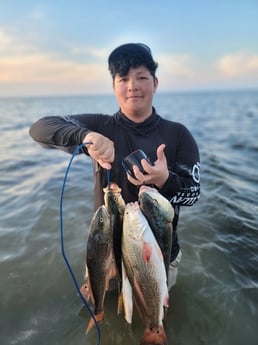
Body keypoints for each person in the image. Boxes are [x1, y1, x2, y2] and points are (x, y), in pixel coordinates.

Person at [29, 43, 200, 289]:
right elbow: (39, 129)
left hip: (158, 254)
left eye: (141, 77)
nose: (132, 86)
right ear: (113, 86)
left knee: (154, 316)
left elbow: (192, 194)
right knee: (101, 310)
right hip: (106, 254)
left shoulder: (178, 134)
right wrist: (86, 137)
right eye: (123, 79)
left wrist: (165, 180)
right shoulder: (102, 127)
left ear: (155, 83)